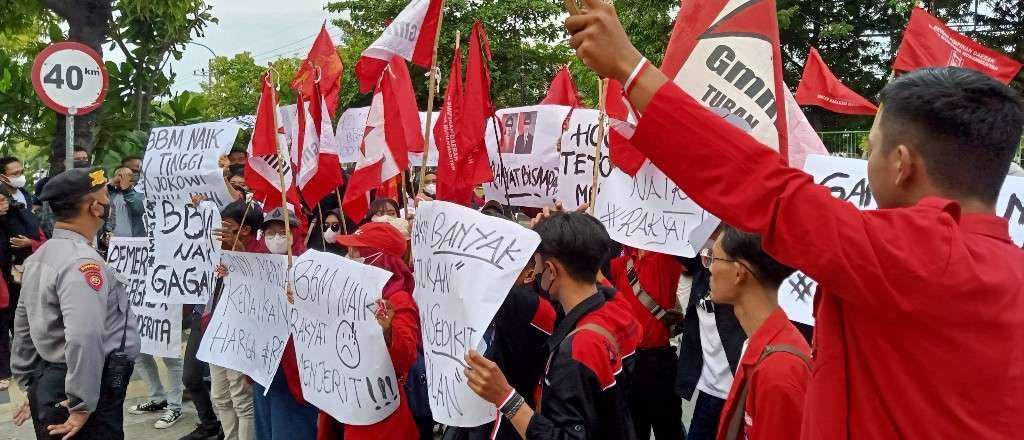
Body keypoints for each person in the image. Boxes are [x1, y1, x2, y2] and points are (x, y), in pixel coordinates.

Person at [566, 2, 1024, 436]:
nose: (867, 159)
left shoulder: (910, 253)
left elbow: (764, 188)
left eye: (871, 148)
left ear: (902, 164)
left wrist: (629, 67)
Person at [465, 211, 640, 440]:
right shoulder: (614, 308)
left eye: (536, 264)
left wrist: (506, 398)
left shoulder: (577, 350)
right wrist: (568, 232)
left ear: (551, 269)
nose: (534, 272)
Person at [10, 168, 141, 439]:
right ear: (94, 207)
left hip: (57, 379)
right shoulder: (82, 262)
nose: (108, 203)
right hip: (85, 383)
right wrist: (82, 405)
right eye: (104, 196)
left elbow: (23, 321)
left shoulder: (42, 255)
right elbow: (84, 335)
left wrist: (31, 384)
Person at [443, 209, 557, 440]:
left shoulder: (536, 309)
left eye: (494, 257)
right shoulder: (466, 299)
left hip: (509, 419)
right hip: (464, 413)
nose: (480, 266)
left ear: (528, 273)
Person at [701, 226, 810, 440]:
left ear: (739, 272)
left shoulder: (780, 371)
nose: (710, 268)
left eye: (713, 258)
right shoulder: (760, 344)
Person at [316, 222, 422, 440]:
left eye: (356, 250)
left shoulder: (398, 299)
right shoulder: (345, 292)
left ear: (378, 258)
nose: (349, 255)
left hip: (378, 417)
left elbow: (406, 358)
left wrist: (388, 331)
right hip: (343, 402)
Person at [252, 207, 317, 439]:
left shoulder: (312, 267)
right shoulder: (254, 265)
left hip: (296, 373)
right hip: (264, 369)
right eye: (270, 233)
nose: (276, 238)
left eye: (283, 232)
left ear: (296, 234)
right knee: (266, 429)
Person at [607, 249, 684, 440]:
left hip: (659, 361)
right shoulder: (619, 263)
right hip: (628, 362)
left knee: (668, 429)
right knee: (633, 430)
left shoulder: (667, 257)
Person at [675, 253, 744, 440]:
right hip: (708, 390)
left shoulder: (747, 291)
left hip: (739, 395)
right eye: (708, 258)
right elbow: (681, 248)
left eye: (715, 258)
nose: (711, 265)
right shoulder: (702, 270)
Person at [106, 165, 146, 239]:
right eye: (120, 176)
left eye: (127, 177)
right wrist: (109, 184)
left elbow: (138, 208)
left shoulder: (140, 193)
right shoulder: (109, 195)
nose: (123, 180)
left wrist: (126, 190)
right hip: (113, 242)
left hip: (135, 242)